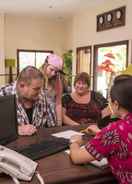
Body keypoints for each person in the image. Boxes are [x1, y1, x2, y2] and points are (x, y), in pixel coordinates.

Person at [69, 76, 132, 184]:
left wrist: (75, 143)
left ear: (116, 104)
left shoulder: (114, 130)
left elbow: (77, 157)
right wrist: (100, 132)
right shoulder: (115, 132)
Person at [0, 66, 57, 136]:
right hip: (10, 145)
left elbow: (53, 127)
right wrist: (16, 130)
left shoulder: (42, 96)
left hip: (39, 143)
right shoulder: (3, 94)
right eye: (36, 89)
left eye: (40, 88)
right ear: (22, 85)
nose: (40, 92)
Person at [40, 54, 64, 126]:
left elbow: (58, 104)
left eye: (56, 72)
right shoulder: (36, 78)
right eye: (51, 69)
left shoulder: (57, 81)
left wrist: (59, 123)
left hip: (51, 119)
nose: (53, 73)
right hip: (38, 117)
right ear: (45, 65)